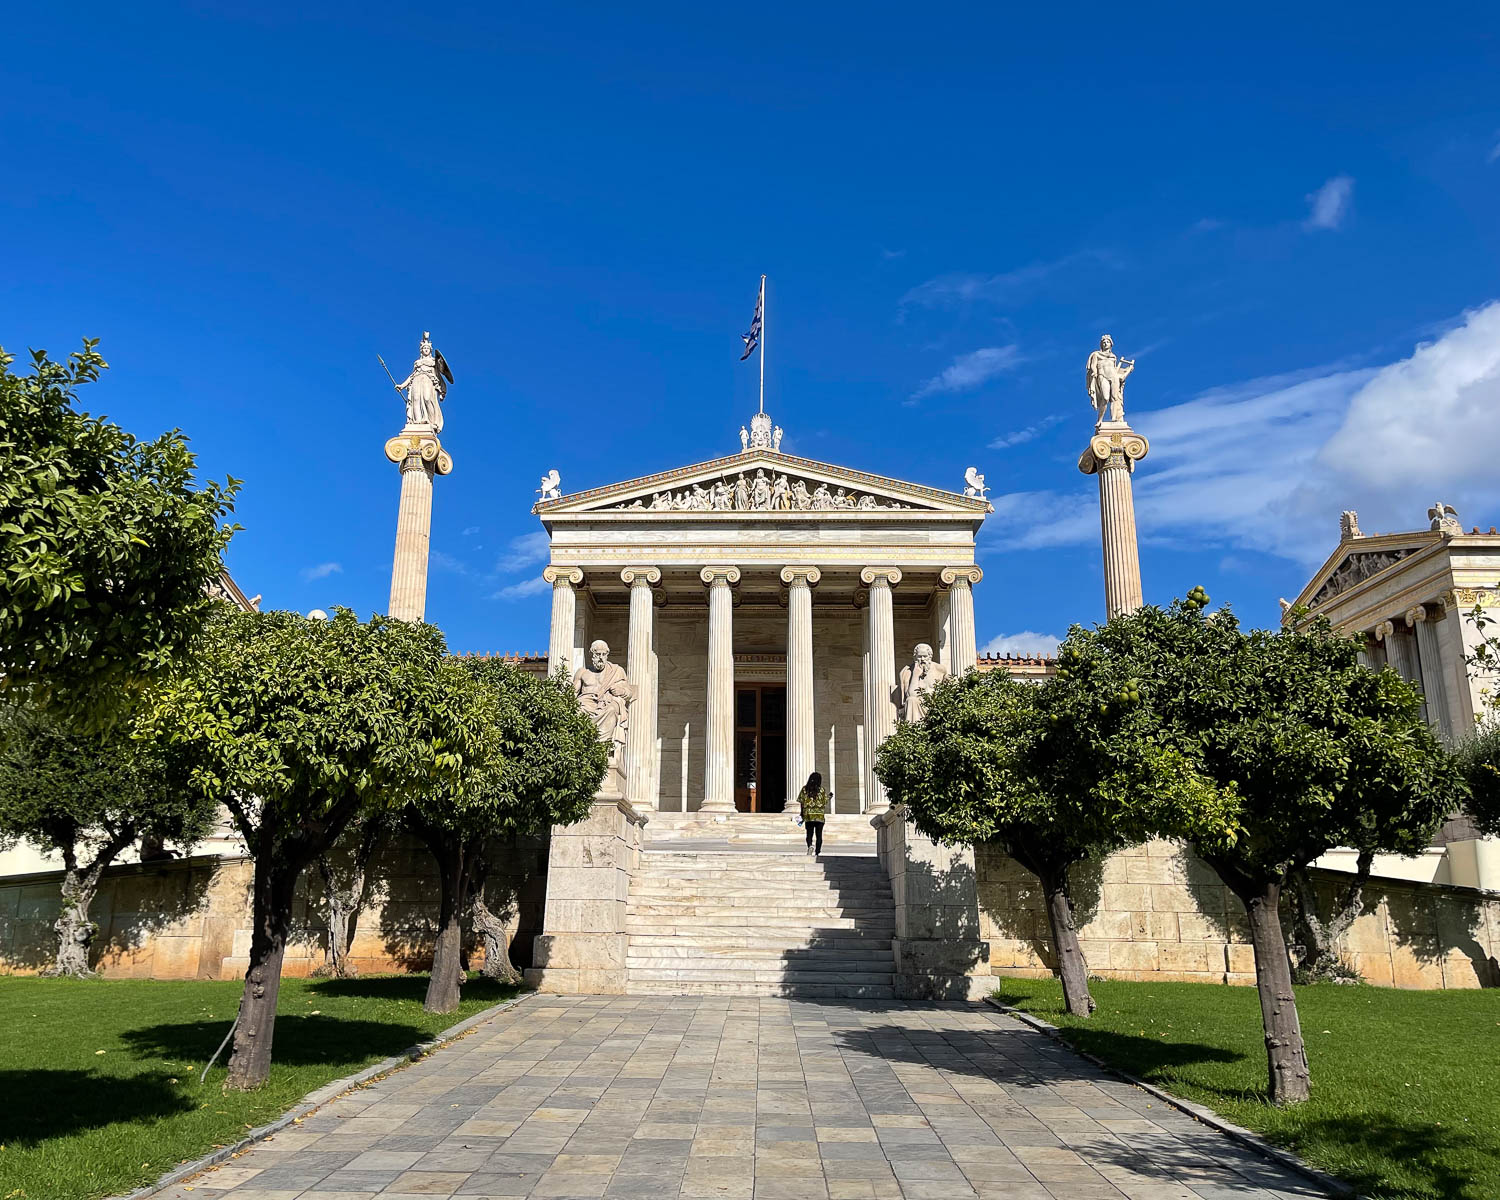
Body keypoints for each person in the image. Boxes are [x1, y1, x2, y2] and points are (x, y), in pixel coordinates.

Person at [797, 771, 831, 855]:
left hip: (808, 815)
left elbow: (801, 801)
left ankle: (810, 846)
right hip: (819, 816)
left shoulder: (805, 789)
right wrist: (829, 797)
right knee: (819, 835)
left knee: (809, 833)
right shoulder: (821, 790)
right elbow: (824, 802)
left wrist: (802, 813)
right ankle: (817, 852)